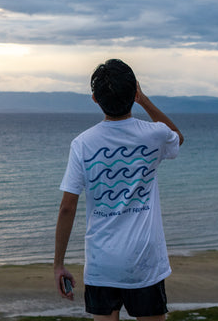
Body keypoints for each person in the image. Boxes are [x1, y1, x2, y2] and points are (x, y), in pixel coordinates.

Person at [54, 59, 184, 321]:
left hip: (102, 264)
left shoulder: (82, 144)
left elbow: (67, 206)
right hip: (144, 262)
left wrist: (58, 264)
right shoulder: (154, 135)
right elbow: (177, 137)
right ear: (133, 93)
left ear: (95, 98)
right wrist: (144, 101)